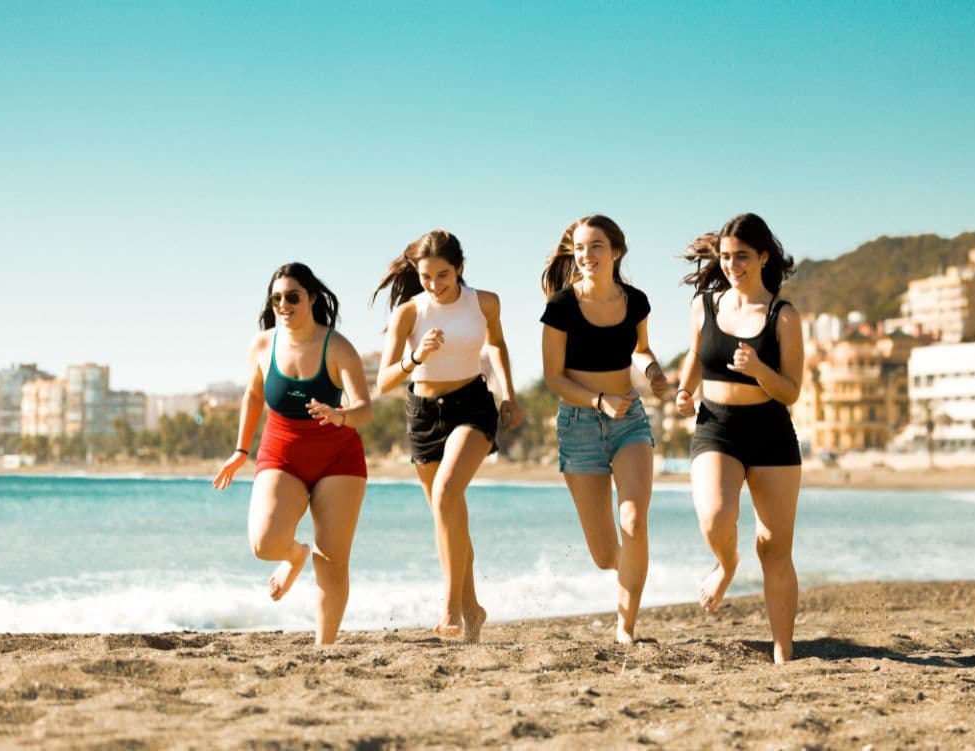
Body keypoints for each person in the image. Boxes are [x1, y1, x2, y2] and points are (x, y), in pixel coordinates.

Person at [372, 229, 523, 643]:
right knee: (448, 516)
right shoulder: (409, 313)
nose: (435, 285)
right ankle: (473, 611)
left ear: (459, 268)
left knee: (445, 495)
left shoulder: (484, 302)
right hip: (423, 415)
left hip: (472, 406)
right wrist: (417, 356)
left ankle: (451, 607)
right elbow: (384, 382)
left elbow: (496, 344)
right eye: (426, 277)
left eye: (443, 275)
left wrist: (507, 392)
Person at [213, 262, 372, 645]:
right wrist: (240, 450)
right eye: (277, 298)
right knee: (264, 542)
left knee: (332, 562)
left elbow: (364, 409)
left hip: (339, 460)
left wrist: (340, 414)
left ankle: (325, 647)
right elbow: (253, 395)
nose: (283, 304)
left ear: (312, 298)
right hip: (281, 453)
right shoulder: (263, 345)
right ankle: (295, 555)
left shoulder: (337, 346)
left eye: (292, 297)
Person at [674, 213, 803, 663]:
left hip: (771, 433)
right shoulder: (704, 306)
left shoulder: (782, 315)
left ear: (763, 257)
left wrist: (759, 370)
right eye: (726, 257)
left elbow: (791, 390)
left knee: (774, 546)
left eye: (742, 257)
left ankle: (783, 650)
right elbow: (694, 355)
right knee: (715, 515)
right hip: (717, 428)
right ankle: (727, 565)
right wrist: (683, 391)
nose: (732, 265)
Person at [540, 214, 666, 645]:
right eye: (580, 248)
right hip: (579, 427)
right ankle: (630, 569)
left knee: (634, 522)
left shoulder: (636, 301)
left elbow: (641, 349)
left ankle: (625, 629)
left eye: (596, 246)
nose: (587, 255)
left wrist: (653, 371)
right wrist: (597, 401)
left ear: (615, 251)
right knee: (604, 554)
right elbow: (554, 377)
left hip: (629, 421)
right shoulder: (560, 306)